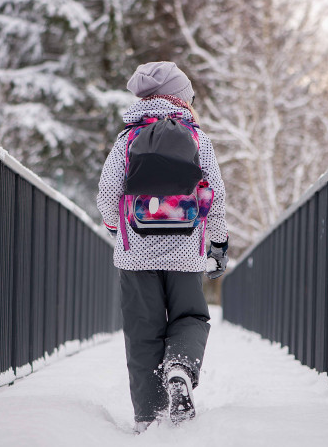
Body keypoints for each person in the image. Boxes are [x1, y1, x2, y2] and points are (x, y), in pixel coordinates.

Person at [96, 61, 229, 434]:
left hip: (135, 254)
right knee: (191, 317)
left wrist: (118, 229)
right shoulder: (198, 139)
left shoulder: (127, 139)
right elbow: (215, 198)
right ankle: (180, 369)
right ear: (182, 97)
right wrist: (217, 243)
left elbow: (107, 196)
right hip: (187, 251)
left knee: (142, 332)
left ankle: (148, 419)